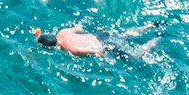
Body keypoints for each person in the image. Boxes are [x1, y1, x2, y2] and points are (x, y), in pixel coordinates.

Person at [33, 23, 162, 60]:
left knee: (136, 55)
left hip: (104, 45)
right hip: (100, 35)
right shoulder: (62, 32)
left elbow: (95, 51)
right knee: (124, 34)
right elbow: (79, 28)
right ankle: (149, 26)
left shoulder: (69, 49)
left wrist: (106, 57)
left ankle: (157, 39)